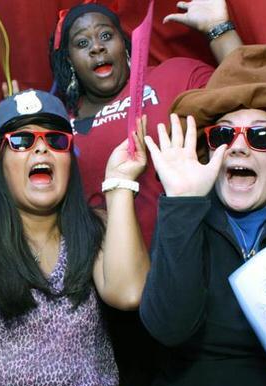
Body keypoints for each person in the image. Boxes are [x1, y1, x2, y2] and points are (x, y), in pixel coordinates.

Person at [0, 89, 149, 386]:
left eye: (56, 141)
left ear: (69, 158)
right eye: (21, 141)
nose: (41, 149)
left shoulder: (95, 225)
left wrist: (120, 184)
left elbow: (129, 292)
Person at [140, 44, 266, 386]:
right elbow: (168, 329)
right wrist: (182, 205)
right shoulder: (184, 210)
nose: (238, 148)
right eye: (224, 135)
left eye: (261, 136)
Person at [49, 0, 242, 247]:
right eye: (82, 43)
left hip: (192, 247)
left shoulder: (175, 75)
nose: (97, 47)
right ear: (69, 60)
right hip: (107, 266)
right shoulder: (59, 122)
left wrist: (219, 28)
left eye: (106, 35)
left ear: (125, 44)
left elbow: (248, 91)